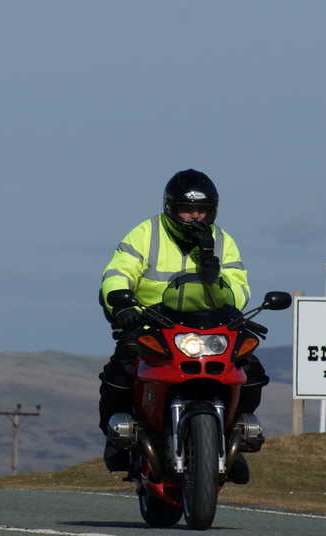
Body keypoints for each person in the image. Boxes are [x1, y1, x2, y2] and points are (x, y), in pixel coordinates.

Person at [97, 169, 266, 483]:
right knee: (122, 366)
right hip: (152, 321)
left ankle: (233, 436)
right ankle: (115, 438)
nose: (195, 216)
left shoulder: (223, 241)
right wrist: (122, 306)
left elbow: (240, 291)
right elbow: (117, 273)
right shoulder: (145, 233)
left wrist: (211, 265)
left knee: (251, 369)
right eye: (187, 209)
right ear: (170, 208)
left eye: (203, 209)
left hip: (212, 325)